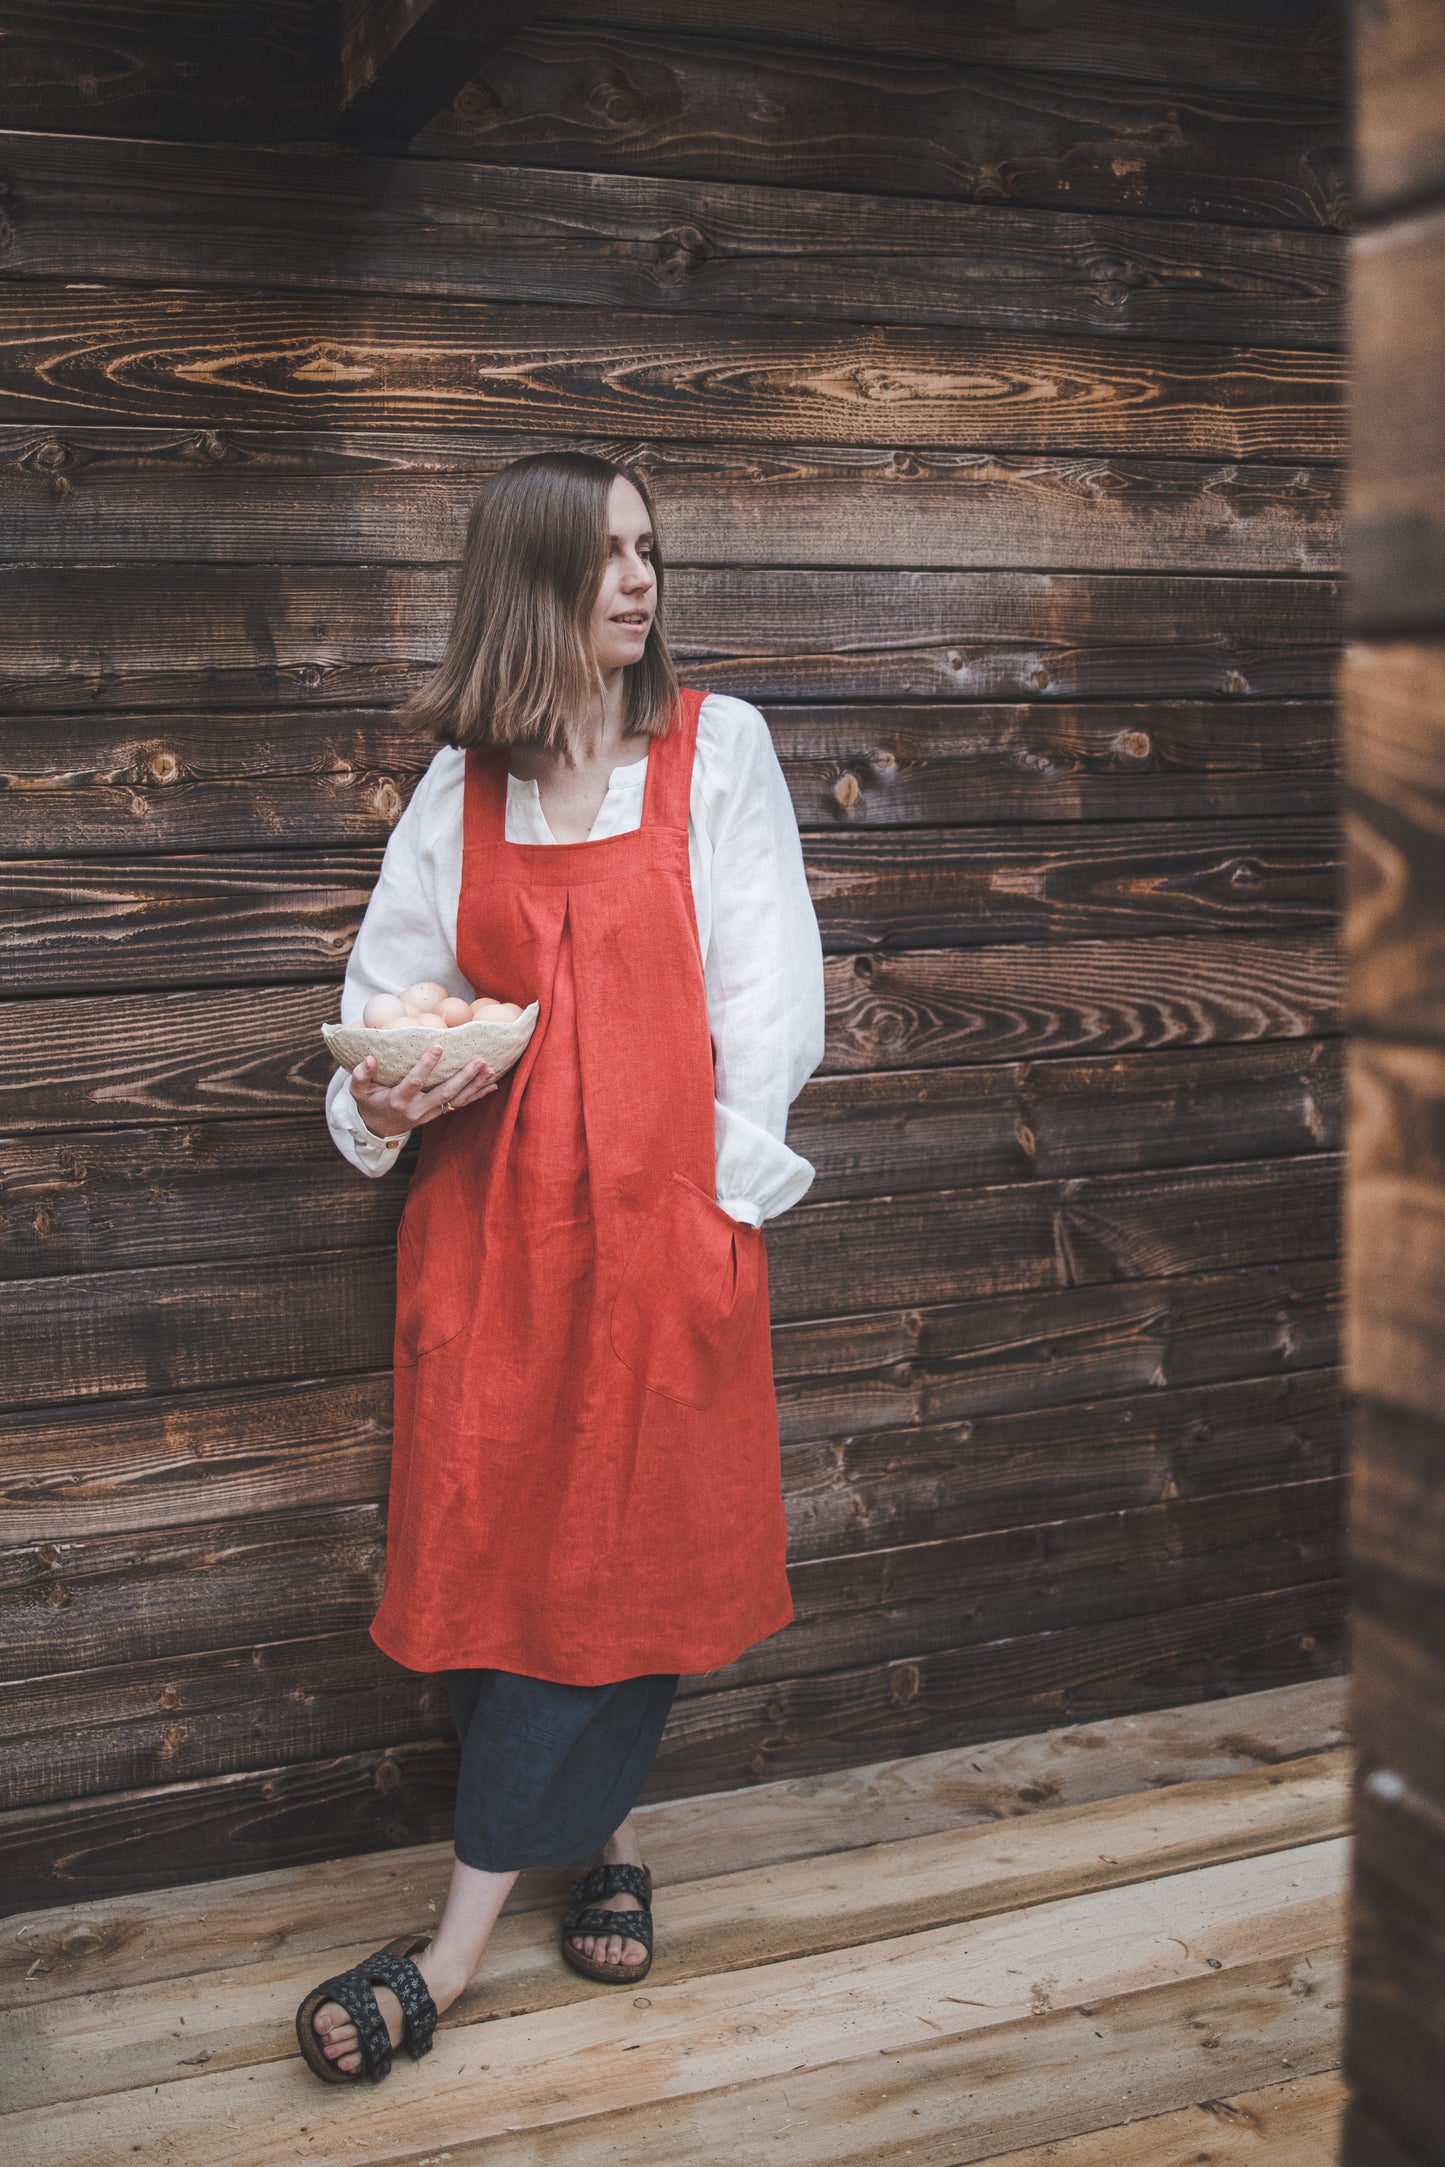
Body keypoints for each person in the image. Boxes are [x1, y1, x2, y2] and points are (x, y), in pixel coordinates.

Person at [294, 450, 826, 2085]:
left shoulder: (715, 751)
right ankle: (608, 1844)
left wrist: (713, 1207)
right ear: (525, 579)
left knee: (624, 1551)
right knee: (491, 1566)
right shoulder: (458, 796)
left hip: (663, 1224)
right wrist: (380, 1090)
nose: (640, 581)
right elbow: (387, 1011)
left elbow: (771, 997)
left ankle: (452, 1949)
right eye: (602, 556)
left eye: (650, 549)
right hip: (489, 1243)